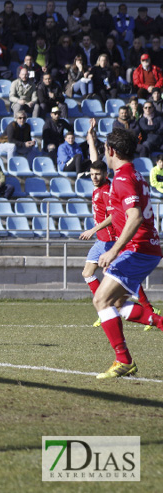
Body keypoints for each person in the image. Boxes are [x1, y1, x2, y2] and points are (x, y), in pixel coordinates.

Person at [88, 128, 163, 379]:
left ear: (111, 151)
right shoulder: (134, 174)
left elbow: (135, 216)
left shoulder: (122, 178)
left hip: (138, 249)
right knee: (117, 304)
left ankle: (123, 360)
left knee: (101, 300)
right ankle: (159, 323)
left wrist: (114, 251)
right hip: (144, 248)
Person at [79, 160, 155, 330]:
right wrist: (90, 139)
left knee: (120, 278)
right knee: (88, 272)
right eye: (91, 174)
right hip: (101, 239)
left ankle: (145, 309)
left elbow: (114, 215)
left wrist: (92, 229)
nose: (94, 177)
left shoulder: (107, 191)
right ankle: (104, 307)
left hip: (109, 239)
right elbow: (95, 160)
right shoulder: (98, 186)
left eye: (97, 174)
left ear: (105, 174)